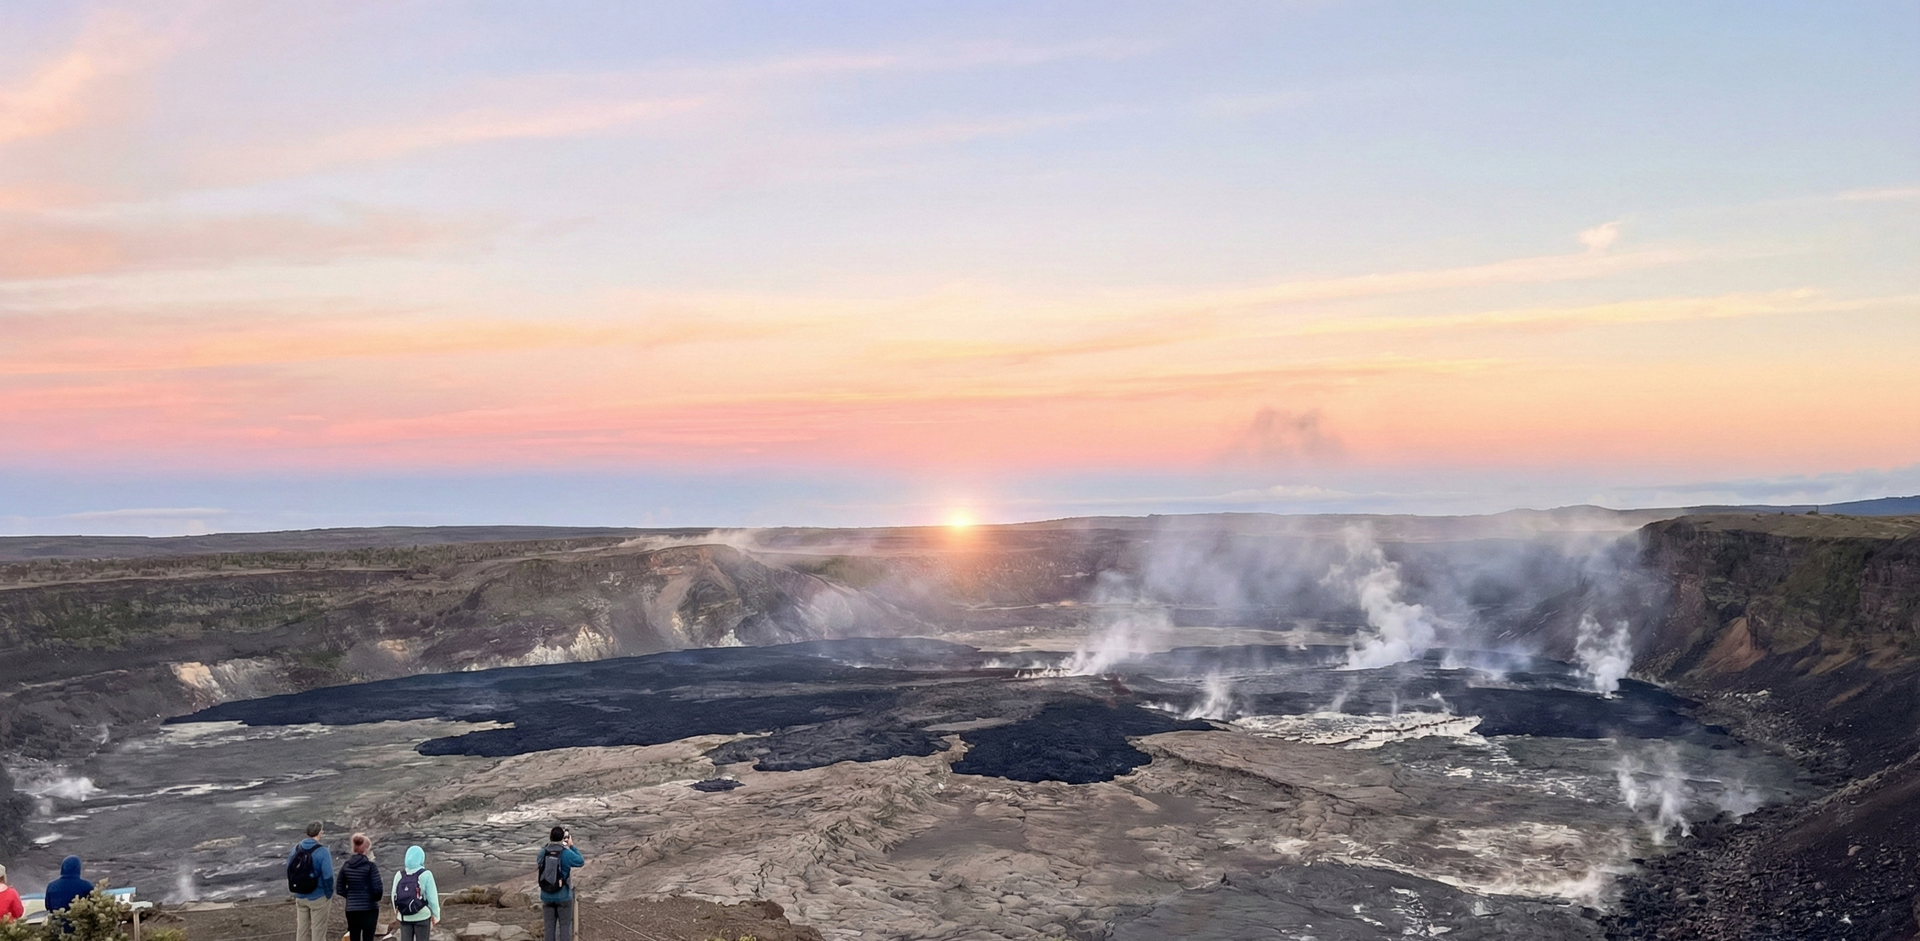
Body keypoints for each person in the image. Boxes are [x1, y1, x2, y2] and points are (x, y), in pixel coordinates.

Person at [536, 826, 587, 941]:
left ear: (550, 837)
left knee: (549, 928)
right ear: (563, 838)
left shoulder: (543, 852)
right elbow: (580, 861)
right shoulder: (566, 853)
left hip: (546, 895)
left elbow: (539, 863)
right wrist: (571, 846)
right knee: (564, 927)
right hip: (563, 895)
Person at [286, 822, 336, 941]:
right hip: (318, 897)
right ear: (320, 833)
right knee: (318, 930)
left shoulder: (296, 848)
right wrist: (328, 894)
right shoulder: (323, 851)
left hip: (300, 895)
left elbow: (289, 869)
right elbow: (328, 876)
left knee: (302, 930)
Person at [334, 833, 384, 941]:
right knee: (368, 938)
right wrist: (372, 898)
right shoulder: (371, 867)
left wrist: (351, 896)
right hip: (369, 909)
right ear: (366, 849)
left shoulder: (346, 866)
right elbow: (378, 889)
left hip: (352, 909)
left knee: (354, 937)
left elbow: (339, 888)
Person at [390, 846, 440, 941]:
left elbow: (394, 896)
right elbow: (432, 898)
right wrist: (436, 916)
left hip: (405, 916)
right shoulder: (426, 874)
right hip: (422, 916)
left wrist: (398, 912)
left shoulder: (399, 875)